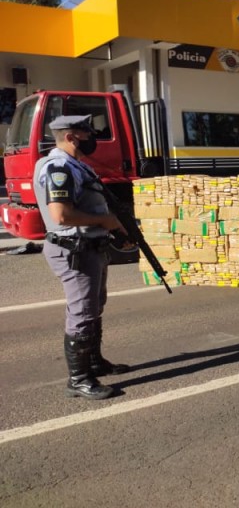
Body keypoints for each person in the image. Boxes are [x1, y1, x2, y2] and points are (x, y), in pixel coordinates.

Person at [33, 114, 130, 401]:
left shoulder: (75, 165)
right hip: (75, 250)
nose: (93, 138)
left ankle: (94, 362)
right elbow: (61, 215)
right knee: (83, 314)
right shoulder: (59, 166)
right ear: (72, 137)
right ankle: (79, 378)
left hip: (90, 248)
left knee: (94, 306)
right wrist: (104, 221)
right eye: (88, 133)